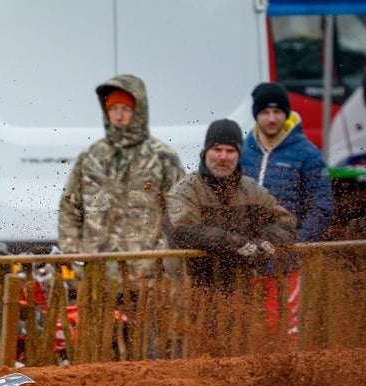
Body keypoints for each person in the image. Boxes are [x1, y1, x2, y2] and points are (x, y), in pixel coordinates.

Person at [58, 74, 185, 285]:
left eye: (125, 109)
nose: (118, 116)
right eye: (113, 109)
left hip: (148, 279)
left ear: (139, 111)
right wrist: (75, 257)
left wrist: (168, 263)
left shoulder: (162, 157)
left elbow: (180, 214)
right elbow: (69, 208)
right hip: (97, 277)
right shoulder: (90, 157)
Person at [241, 81, 333, 335]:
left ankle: (286, 373)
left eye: (277, 112)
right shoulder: (243, 151)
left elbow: (322, 206)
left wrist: (298, 245)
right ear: (256, 114)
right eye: (265, 112)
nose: (271, 118)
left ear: (287, 113)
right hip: (245, 259)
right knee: (247, 331)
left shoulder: (308, 154)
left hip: (286, 261)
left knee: (285, 330)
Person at [166, 119, 296, 296]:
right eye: (217, 150)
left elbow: (286, 222)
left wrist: (266, 239)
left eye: (230, 151)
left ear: (239, 155)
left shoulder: (251, 190)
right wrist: (230, 241)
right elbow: (182, 231)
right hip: (192, 291)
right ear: (205, 153)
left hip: (239, 293)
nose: (223, 157)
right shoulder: (186, 189)